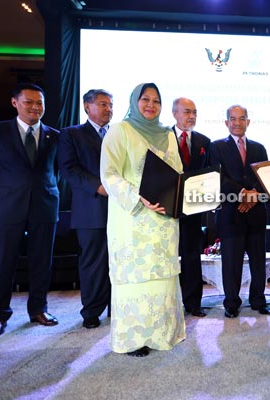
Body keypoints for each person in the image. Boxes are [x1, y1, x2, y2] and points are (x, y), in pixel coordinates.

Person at [100, 83, 185, 357]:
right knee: (137, 279)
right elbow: (109, 174)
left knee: (162, 278)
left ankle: (163, 334)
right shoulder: (120, 130)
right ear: (135, 101)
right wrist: (139, 197)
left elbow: (178, 172)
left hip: (164, 219)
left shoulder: (168, 134)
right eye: (145, 99)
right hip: (133, 219)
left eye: (156, 100)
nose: (150, 105)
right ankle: (134, 339)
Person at [0, 82, 60, 338]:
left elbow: (55, 171)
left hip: (44, 206)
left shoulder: (54, 135)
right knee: (3, 263)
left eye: (40, 103)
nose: (35, 107)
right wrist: (7, 193)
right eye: (29, 102)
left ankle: (38, 309)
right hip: (7, 207)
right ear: (15, 103)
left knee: (41, 262)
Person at [208, 105, 270, 318]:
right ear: (227, 123)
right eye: (232, 119)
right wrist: (243, 193)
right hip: (230, 213)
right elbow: (218, 177)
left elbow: (265, 176)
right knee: (231, 262)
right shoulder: (216, 147)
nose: (237, 122)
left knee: (258, 260)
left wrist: (253, 196)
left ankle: (258, 300)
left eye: (241, 118)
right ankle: (232, 303)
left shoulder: (259, 148)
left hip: (255, 213)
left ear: (248, 122)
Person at [58, 89, 113, 329]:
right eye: (103, 104)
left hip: (120, 211)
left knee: (118, 262)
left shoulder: (118, 134)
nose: (108, 109)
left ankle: (116, 308)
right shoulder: (72, 134)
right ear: (87, 107)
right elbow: (70, 169)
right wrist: (98, 187)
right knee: (93, 263)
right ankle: (91, 311)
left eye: (111, 105)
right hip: (91, 210)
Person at [172, 97, 211, 318]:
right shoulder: (162, 139)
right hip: (167, 210)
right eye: (187, 112)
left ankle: (193, 303)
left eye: (194, 112)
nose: (192, 116)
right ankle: (169, 303)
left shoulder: (205, 141)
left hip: (194, 209)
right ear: (175, 113)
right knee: (168, 257)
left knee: (191, 256)